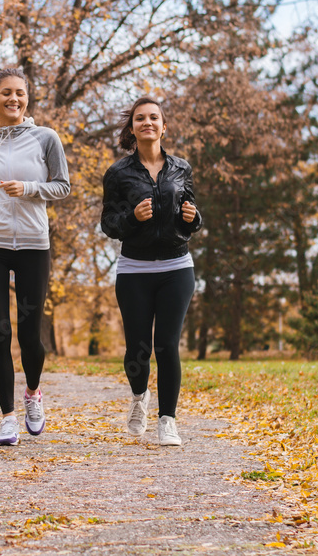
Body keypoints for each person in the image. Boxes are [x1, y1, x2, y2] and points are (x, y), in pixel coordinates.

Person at [0, 67, 70, 446]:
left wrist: (27, 188)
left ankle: (33, 395)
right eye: (6, 92)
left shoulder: (46, 138)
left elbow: (63, 186)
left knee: (29, 333)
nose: (13, 99)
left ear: (27, 98)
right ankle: (7, 417)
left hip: (33, 244)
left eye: (19, 93)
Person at [100, 96, 203, 446]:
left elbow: (191, 214)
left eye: (154, 117)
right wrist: (133, 218)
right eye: (140, 118)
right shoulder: (117, 173)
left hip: (177, 266)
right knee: (138, 349)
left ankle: (168, 420)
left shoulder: (181, 168)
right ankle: (139, 397)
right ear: (132, 128)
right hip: (134, 270)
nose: (148, 123)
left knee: (167, 345)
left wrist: (195, 219)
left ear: (163, 126)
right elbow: (109, 224)